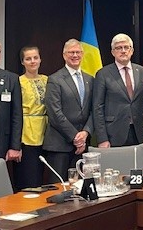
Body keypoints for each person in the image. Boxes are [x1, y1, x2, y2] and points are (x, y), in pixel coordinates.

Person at [43, 38, 94, 182]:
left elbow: (93, 110)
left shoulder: (90, 79)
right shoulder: (55, 79)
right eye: (71, 52)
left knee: (80, 189)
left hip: (83, 145)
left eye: (78, 52)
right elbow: (55, 113)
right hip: (60, 145)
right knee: (59, 190)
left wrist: (85, 133)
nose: (75, 55)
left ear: (82, 54)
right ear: (64, 55)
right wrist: (75, 137)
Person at [93, 33, 143, 147]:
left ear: (132, 50)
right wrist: (102, 138)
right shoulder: (103, 74)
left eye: (126, 47)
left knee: (138, 165)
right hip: (113, 133)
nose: (123, 51)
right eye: (118, 48)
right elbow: (97, 107)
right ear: (113, 52)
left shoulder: (141, 71)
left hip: (138, 133)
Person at [14, 46, 47, 190]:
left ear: (40, 59)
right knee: (29, 177)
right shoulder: (17, 81)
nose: (33, 61)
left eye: (35, 58)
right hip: (26, 132)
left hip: (46, 132)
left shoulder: (47, 80)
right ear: (22, 62)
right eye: (28, 59)